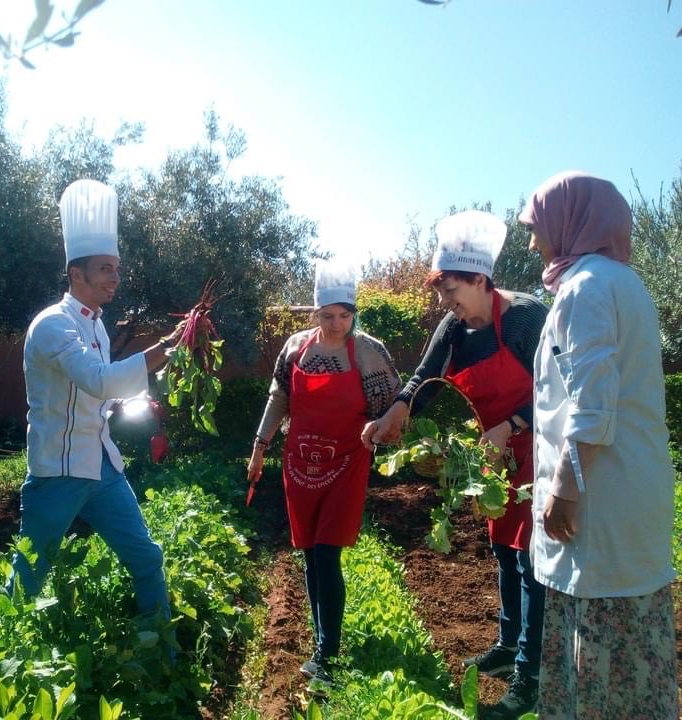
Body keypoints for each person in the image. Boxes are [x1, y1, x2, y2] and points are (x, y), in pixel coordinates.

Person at [362, 210, 549, 719]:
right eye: (443, 295)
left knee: (533, 560)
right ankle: (509, 644)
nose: (447, 305)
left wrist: (510, 425)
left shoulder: (529, 316)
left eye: (452, 293)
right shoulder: (455, 326)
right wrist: (392, 416)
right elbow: (422, 378)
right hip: (495, 456)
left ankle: (531, 677)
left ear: (481, 281)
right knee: (504, 552)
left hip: (539, 451)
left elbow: (562, 391)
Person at [521, 171, 678, 719]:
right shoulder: (622, 282)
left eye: (537, 227)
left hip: (601, 502)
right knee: (636, 654)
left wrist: (564, 489)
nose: (533, 240)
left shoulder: (585, 288)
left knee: (601, 661)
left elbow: (591, 403)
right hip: (630, 496)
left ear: (571, 221)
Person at [7, 179, 182, 623]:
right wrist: (159, 351)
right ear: (75, 274)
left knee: (146, 557)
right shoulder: (52, 325)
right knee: (28, 577)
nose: (115, 278)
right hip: (59, 470)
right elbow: (97, 380)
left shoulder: (98, 326)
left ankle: (160, 645)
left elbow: (104, 393)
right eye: (105, 268)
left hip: (100, 464)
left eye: (116, 269)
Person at [247, 260, 402, 693]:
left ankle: (327, 654)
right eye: (327, 316)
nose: (337, 325)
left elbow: (395, 405)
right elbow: (279, 398)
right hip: (300, 464)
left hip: (347, 463)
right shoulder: (296, 348)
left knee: (328, 552)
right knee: (310, 554)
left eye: (345, 315)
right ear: (314, 314)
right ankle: (322, 640)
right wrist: (260, 447)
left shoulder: (370, 351)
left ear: (354, 313)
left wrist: (388, 433)